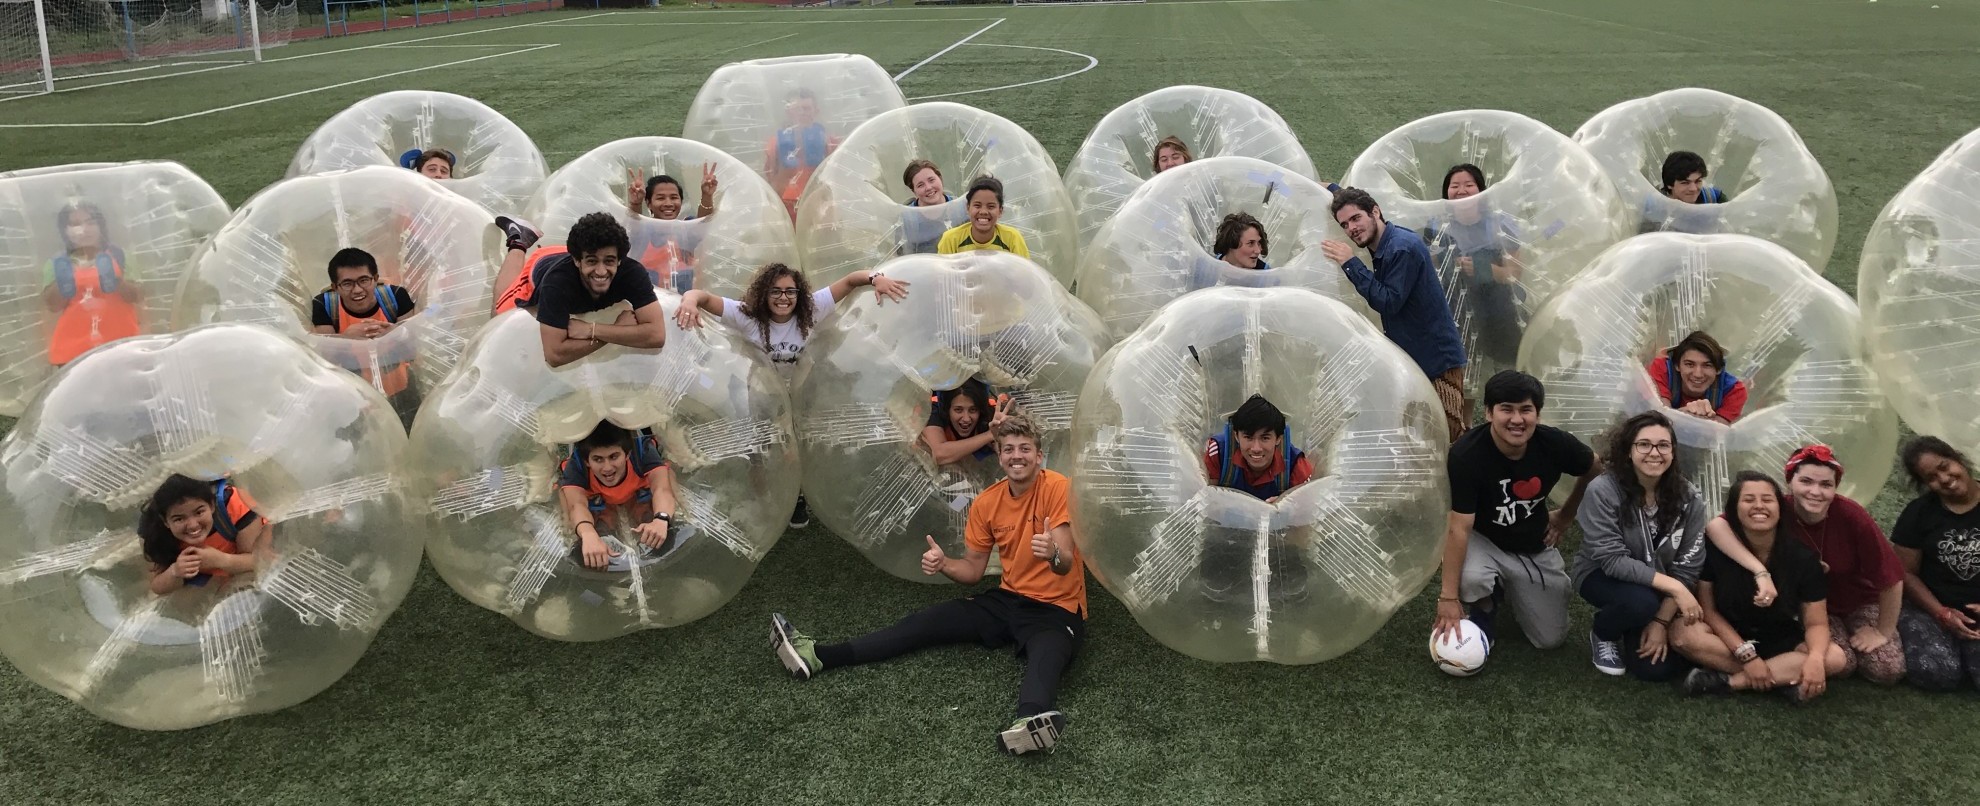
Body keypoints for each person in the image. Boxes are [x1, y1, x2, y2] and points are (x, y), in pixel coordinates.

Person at [769, 412, 1085, 755]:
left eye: (1025, 448)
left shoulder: (1058, 488)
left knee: (1047, 658)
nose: (1017, 455)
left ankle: (1030, 723)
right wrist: (945, 564)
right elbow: (973, 572)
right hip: (1007, 601)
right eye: (1008, 449)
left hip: (1057, 609)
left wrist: (1052, 553)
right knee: (922, 624)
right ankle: (817, 656)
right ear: (999, 454)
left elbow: (1065, 561)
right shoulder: (986, 503)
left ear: (1039, 456)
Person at [674, 261, 910, 529]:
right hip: (763, 394)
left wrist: (875, 278)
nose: (783, 298)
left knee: (800, 447)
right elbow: (702, 297)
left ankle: (798, 497)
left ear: (799, 294)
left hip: (801, 393)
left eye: (790, 291)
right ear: (764, 294)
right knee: (761, 451)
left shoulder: (812, 307)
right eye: (775, 291)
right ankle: (766, 502)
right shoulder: (746, 315)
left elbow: (850, 281)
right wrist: (689, 301)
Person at [1704, 445, 1906, 684]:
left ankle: (1732, 680)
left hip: (1859, 601)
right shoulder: (1778, 510)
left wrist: (1882, 631)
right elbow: (1716, 527)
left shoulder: (1852, 517)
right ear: (1790, 482)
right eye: (1806, 482)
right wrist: (1760, 572)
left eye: (1825, 485)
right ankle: (1772, 676)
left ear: (1835, 488)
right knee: (1842, 664)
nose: (1815, 492)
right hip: (1812, 607)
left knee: (1887, 669)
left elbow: (1891, 578)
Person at [1433, 370, 1601, 653]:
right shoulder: (1466, 455)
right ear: (1488, 413)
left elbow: (1594, 468)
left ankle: (1509, 586)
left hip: (1530, 545)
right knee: (1472, 578)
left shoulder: (1554, 443)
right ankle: (1485, 602)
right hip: (1483, 540)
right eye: (1506, 409)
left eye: (1526, 410)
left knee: (1550, 639)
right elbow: (1458, 528)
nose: (1517, 419)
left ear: (1538, 413)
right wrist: (1448, 598)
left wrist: (1566, 515)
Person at [1672, 471, 1848, 702]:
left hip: (1777, 637)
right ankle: (1782, 678)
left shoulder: (1802, 559)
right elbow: (1709, 610)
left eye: (1767, 500)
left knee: (1834, 658)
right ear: (1734, 510)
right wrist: (1747, 657)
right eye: (1748, 500)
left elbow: (1816, 622)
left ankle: (1728, 682)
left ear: (1780, 508)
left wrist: (1815, 658)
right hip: (1727, 636)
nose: (1758, 506)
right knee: (1681, 633)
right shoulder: (1716, 549)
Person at [1322, 187, 1470, 441]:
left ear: (1376, 212)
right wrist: (1334, 190)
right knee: (1418, 437)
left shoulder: (1402, 248)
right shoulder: (1385, 244)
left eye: (1356, 218)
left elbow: (1388, 301)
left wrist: (1350, 263)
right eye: (1344, 224)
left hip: (1436, 363)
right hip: (1416, 360)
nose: (1351, 228)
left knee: (1447, 437)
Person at [1570, 411, 1706, 680]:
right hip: (1601, 575)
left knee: (1654, 670)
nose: (1654, 453)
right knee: (1639, 602)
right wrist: (1675, 588)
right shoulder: (1603, 490)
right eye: (1644, 444)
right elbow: (1612, 560)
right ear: (1628, 451)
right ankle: (1603, 632)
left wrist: (1660, 621)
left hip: (1658, 590)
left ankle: (1643, 623)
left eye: (1663, 445)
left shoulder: (1689, 497)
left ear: (1673, 452)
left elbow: (1688, 567)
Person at [488, 213, 666, 368]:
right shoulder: (556, 283)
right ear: (577, 260)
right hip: (542, 266)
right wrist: (617, 330)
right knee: (499, 318)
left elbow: (656, 335)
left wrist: (592, 329)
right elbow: (554, 355)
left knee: (596, 258)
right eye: (592, 261)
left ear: (619, 260)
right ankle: (519, 240)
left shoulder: (632, 272)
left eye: (610, 261)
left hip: (572, 257)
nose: (601, 271)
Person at [1889, 436, 1980, 691]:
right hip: (1931, 609)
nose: (1943, 478)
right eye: (1931, 478)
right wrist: (1941, 613)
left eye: (1944, 466)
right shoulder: (1919, 513)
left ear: (1958, 459)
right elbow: (1905, 574)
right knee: (1937, 672)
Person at [1423, 164, 1524, 367]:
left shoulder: (1499, 224)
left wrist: (1484, 269)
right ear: (1446, 193)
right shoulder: (1436, 227)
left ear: (1481, 191)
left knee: (1507, 368)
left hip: (1499, 311)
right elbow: (1429, 272)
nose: (1461, 191)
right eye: (1454, 186)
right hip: (1457, 313)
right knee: (1462, 372)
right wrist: (1451, 269)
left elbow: (1515, 274)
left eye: (1469, 184)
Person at [557, 422, 680, 571]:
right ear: (587, 462)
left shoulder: (642, 451)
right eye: (598, 459)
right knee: (585, 527)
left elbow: (662, 489)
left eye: (614, 457)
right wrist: (588, 533)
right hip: (598, 499)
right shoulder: (576, 466)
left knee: (666, 487)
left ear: (627, 454)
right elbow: (576, 505)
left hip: (637, 491)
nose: (607, 467)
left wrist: (661, 519)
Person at [310, 247, 417, 399]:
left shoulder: (396, 296)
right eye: (347, 284)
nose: (357, 290)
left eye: (364, 280)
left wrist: (395, 333)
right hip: (352, 396)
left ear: (375, 278)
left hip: (401, 389)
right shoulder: (324, 305)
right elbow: (326, 359)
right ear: (335, 287)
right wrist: (346, 338)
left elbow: (413, 350)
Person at [140, 474, 271, 596]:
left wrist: (221, 560)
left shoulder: (236, 505)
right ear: (165, 522)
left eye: (199, 512)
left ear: (212, 505)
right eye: (179, 519)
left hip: (248, 543)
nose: (192, 525)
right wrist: (175, 571)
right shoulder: (155, 532)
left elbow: (262, 560)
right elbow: (156, 587)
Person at [42, 200, 139, 366]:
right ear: (65, 230)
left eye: (90, 222)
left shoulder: (120, 255)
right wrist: (65, 278)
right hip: (73, 354)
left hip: (121, 347)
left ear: (100, 226)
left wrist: (115, 279)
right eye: (74, 224)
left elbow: (136, 296)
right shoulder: (56, 263)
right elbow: (53, 306)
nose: (83, 230)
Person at [1203, 394, 1314, 503]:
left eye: (1265, 438)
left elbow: (1307, 511)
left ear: (1278, 439)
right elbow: (1204, 499)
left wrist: (1288, 508)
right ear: (1236, 436)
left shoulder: (1297, 465)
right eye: (1248, 437)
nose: (1256, 448)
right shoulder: (1217, 453)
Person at [624, 165, 719, 293]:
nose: (668, 203)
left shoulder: (686, 229)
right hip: (648, 306)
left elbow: (703, 223)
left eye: (674, 197)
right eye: (660, 198)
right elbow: (634, 225)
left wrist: (707, 196)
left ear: (681, 201)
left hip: (683, 306)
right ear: (648, 203)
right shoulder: (644, 230)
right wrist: (635, 203)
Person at [765, 88, 839, 218]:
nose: (802, 113)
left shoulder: (829, 141)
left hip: (820, 205)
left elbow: (837, 175)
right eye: (797, 109)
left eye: (806, 108)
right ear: (788, 112)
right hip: (787, 206)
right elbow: (770, 176)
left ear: (816, 111)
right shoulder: (776, 142)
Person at [1646, 330, 1747, 424]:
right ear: (1676, 365)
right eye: (1690, 364)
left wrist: (1685, 417)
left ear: (1719, 369)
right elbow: (1660, 419)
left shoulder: (1734, 390)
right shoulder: (1661, 369)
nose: (1698, 374)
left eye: (1707, 365)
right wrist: (1686, 414)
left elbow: (1717, 434)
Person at [936, 176, 1030, 258]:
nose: (983, 212)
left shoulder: (1012, 238)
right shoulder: (950, 239)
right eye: (977, 205)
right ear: (968, 208)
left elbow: (1024, 275)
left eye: (991, 206)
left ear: (1000, 211)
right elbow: (943, 276)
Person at [921, 378, 1006, 467]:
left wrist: (1000, 444)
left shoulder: (992, 414)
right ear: (947, 409)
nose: (966, 419)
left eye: (973, 410)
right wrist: (990, 435)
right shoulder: (932, 410)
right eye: (958, 410)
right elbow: (938, 454)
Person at [901, 159, 957, 255]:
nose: (928, 187)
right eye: (920, 185)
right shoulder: (907, 219)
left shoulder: (960, 208)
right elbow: (903, 255)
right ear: (914, 191)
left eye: (931, 180)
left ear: (940, 178)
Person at [1660, 151, 1726, 205]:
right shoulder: (1655, 205)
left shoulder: (1715, 199)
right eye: (1685, 183)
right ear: (1669, 184)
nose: (1693, 189)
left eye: (1698, 181)